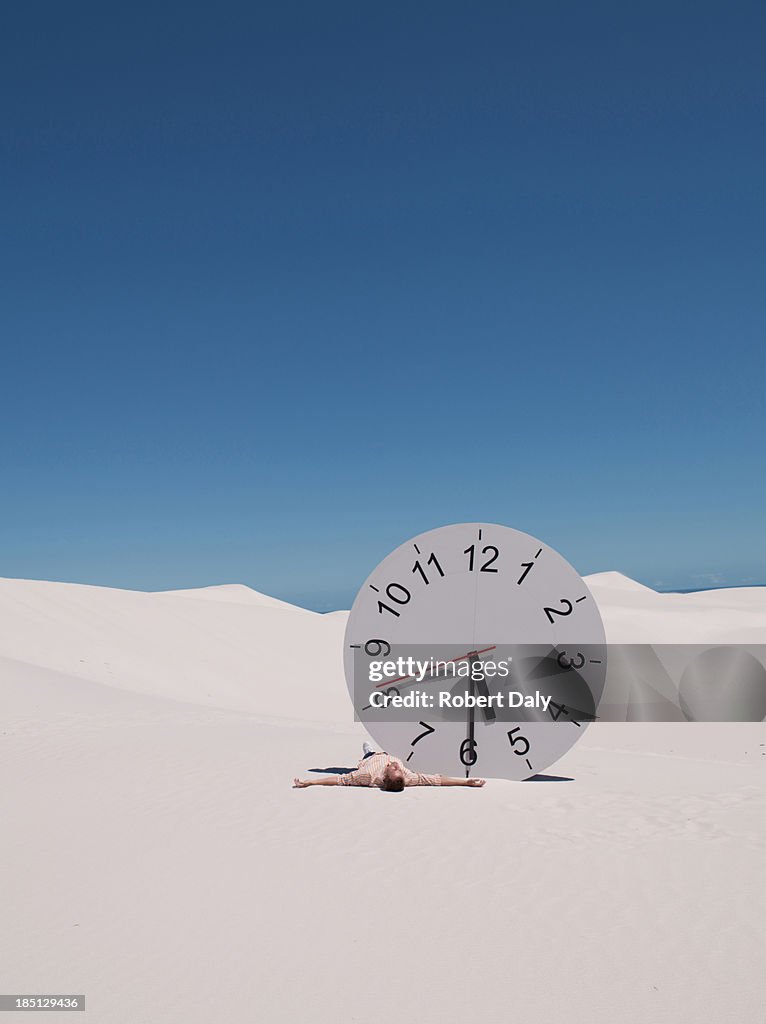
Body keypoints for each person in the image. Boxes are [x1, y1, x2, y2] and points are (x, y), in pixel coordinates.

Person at [293, 743, 486, 791]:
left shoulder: (367, 776)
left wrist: (311, 782)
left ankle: (366, 750)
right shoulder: (407, 778)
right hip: (390, 752)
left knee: (368, 752)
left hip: (371, 759)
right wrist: (466, 782)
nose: (397, 767)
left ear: (385, 778)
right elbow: (437, 780)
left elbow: (339, 780)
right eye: (399, 770)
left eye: (395, 769)